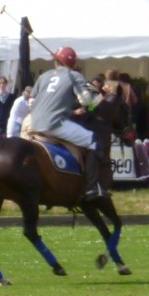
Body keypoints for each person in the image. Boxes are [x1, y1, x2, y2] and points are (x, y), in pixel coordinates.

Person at [29, 46, 107, 200]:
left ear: (56, 61)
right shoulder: (75, 76)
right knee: (94, 140)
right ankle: (91, 188)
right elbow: (85, 101)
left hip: (35, 122)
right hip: (55, 123)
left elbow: (31, 101)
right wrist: (94, 100)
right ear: (73, 63)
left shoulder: (43, 76)